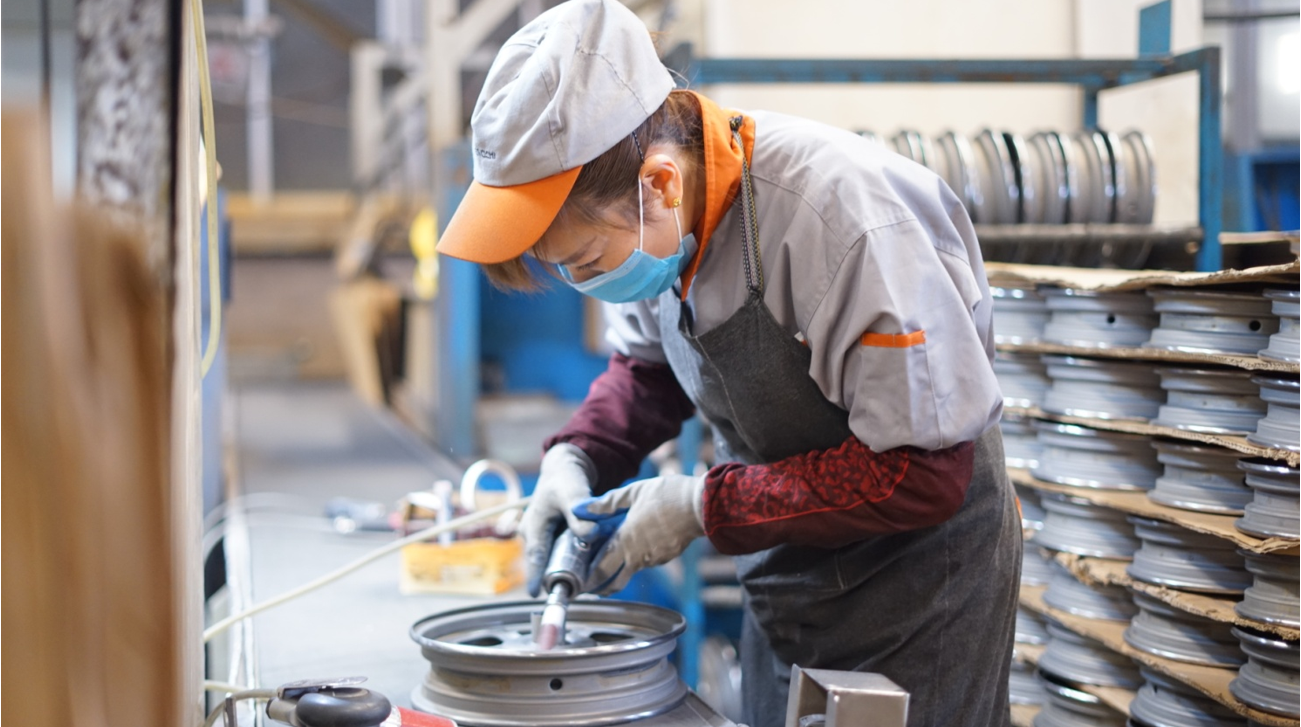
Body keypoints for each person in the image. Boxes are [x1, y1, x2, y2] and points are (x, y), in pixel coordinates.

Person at [434, 2, 1021, 725]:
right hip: (788, 576)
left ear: (660, 184)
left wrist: (702, 506)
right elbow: (648, 372)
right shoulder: (657, 229)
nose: (585, 281)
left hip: (918, 598)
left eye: (585, 259)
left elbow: (920, 474)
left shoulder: (840, 220)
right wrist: (577, 456)